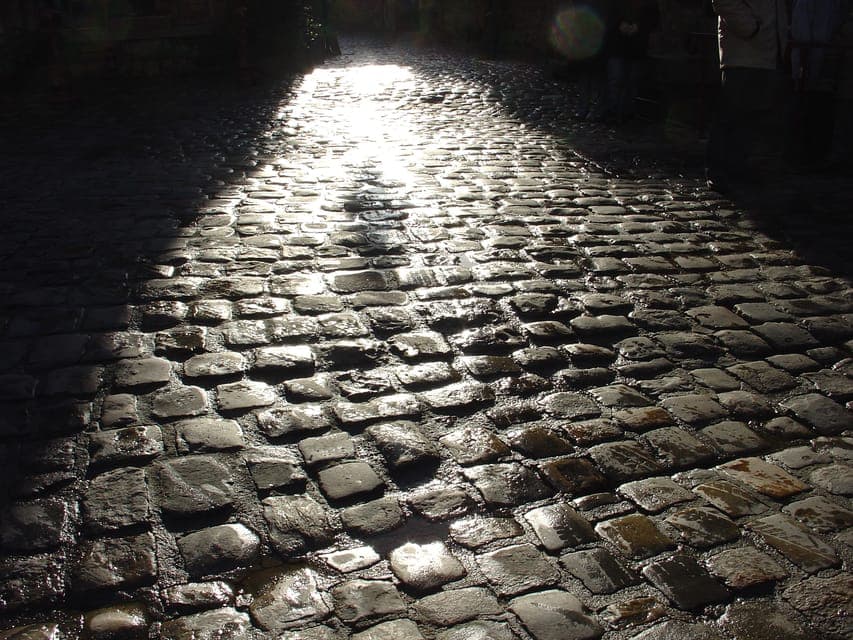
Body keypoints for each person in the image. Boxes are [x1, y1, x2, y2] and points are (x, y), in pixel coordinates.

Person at [706, 0, 789, 191]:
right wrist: (750, 28)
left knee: (751, 117)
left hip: (766, 53)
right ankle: (719, 170)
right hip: (743, 52)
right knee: (731, 116)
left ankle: (737, 166)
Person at [788, 0, 849, 169]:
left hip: (825, 57)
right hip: (813, 56)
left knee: (821, 106)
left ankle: (813, 153)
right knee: (812, 105)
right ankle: (808, 154)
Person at [603, 0, 660, 123]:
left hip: (636, 46)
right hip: (618, 45)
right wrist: (619, 24)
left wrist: (640, 26)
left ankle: (626, 112)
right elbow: (607, 13)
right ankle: (613, 111)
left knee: (631, 81)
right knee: (616, 79)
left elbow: (654, 18)